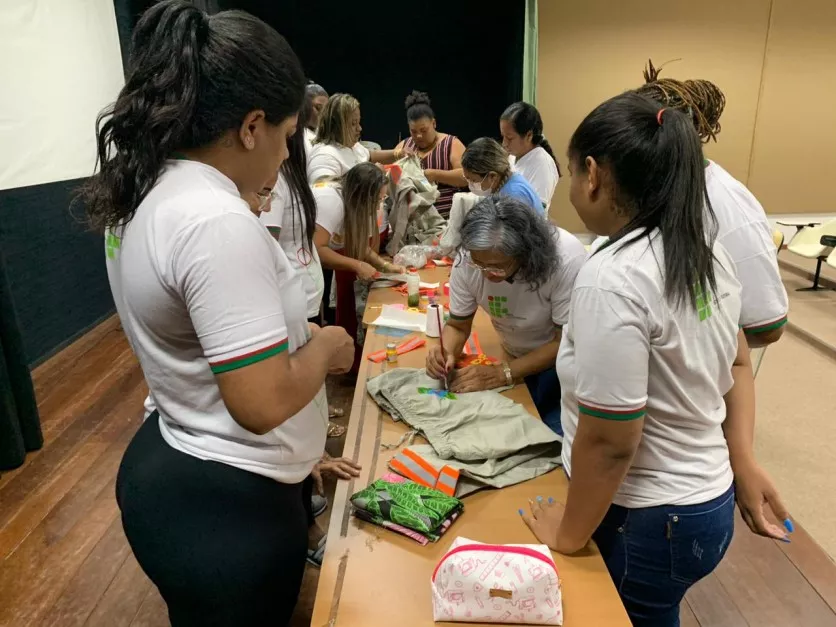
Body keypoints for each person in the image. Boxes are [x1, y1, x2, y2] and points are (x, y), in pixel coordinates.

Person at [78, 2, 356, 625]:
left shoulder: (147, 191)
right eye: (287, 137)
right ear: (252, 126)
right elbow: (257, 404)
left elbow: (200, 340)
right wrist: (327, 347)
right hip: (226, 499)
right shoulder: (215, 222)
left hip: (182, 462)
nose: (286, 156)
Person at [519, 92, 793, 627]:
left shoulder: (613, 279)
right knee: (654, 610)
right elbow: (738, 365)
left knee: (621, 613)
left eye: (572, 173)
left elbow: (612, 441)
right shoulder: (703, 249)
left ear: (592, 175)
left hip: (646, 519)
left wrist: (569, 536)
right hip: (705, 504)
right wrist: (743, 460)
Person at [635, 60, 788, 347]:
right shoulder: (645, 188)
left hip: (698, 379)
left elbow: (767, 325)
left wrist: (690, 350)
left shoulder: (726, 204)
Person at [425, 195, 586, 434]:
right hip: (513, 353)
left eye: (498, 266)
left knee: (553, 438)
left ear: (526, 252)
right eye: (480, 265)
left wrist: (503, 373)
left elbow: (564, 341)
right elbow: (458, 325)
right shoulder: (468, 260)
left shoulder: (565, 259)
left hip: (562, 365)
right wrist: (446, 352)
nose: (488, 275)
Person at [314, 162, 406, 367]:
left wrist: (384, 265)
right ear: (362, 194)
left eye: (382, 199)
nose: (377, 205)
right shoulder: (332, 202)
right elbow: (317, 250)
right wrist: (357, 265)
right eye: (377, 199)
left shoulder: (352, 202)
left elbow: (357, 243)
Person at [394, 91, 467, 218]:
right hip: (412, 221)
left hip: (446, 219)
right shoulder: (403, 147)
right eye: (413, 131)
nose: (419, 136)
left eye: (424, 130)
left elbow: (466, 176)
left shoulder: (452, 143)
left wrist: (433, 174)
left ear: (433, 123)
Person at [307, 93, 408, 183]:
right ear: (336, 126)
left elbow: (370, 155)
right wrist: (372, 175)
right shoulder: (323, 156)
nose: (359, 128)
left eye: (358, 122)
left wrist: (398, 153)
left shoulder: (351, 145)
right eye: (353, 124)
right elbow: (324, 189)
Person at [500, 101, 561, 211]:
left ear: (529, 135)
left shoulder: (543, 164)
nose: (504, 143)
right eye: (503, 136)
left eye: (509, 138)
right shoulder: (513, 157)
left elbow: (536, 212)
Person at [461, 138, 544, 214]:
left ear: (493, 176)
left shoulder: (513, 197)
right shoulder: (506, 182)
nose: (470, 185)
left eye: (474, 180)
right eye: (467, 179)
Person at [304, 81, 328, 150]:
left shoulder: (326, 133)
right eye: (318, 108)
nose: (323, 113)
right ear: (305, 106)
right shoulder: (295, 135)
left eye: (326, 109)